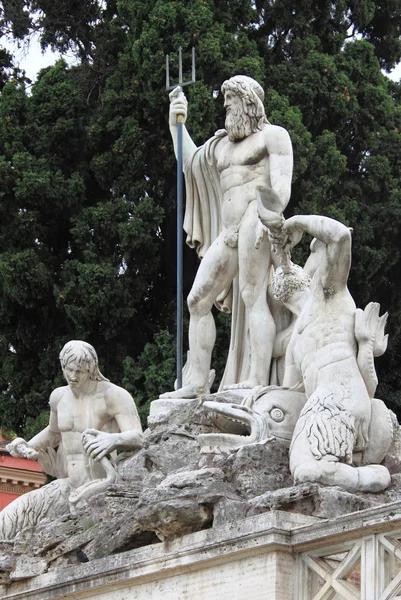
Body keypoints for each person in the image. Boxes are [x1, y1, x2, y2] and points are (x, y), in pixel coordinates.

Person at [161, 75, 293, 399]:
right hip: (229, 231)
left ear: (249, 102)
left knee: (253, 295)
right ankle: (196, 382)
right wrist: (177, 123)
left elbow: (281, 186)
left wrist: (270, 218)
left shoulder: (273, 137)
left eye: (230, 100)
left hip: (256, 220)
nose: (225, 107)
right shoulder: (221, 145)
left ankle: (257, 379)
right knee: (197, 300)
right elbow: (191, 162)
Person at [258, 208, 391, 492]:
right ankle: (363, 473)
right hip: (323, 403)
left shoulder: (328, 293)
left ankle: (372, 477)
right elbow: (293, 397)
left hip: (340, 395)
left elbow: (340, 235)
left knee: (305, 468)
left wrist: (295, 223)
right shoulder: (294, 341)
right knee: (302, 466)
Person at [0, 340, 143, 539]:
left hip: (100, 487)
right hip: (67, 485)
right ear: (62, 366)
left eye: (80, 371)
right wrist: (27, 445)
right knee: (9, 521)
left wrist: (113, 439)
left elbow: (138, 437)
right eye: (69, 370)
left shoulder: (113, 395)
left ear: (91, 368)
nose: (73, 376)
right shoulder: (59, 397)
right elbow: (53, 432)